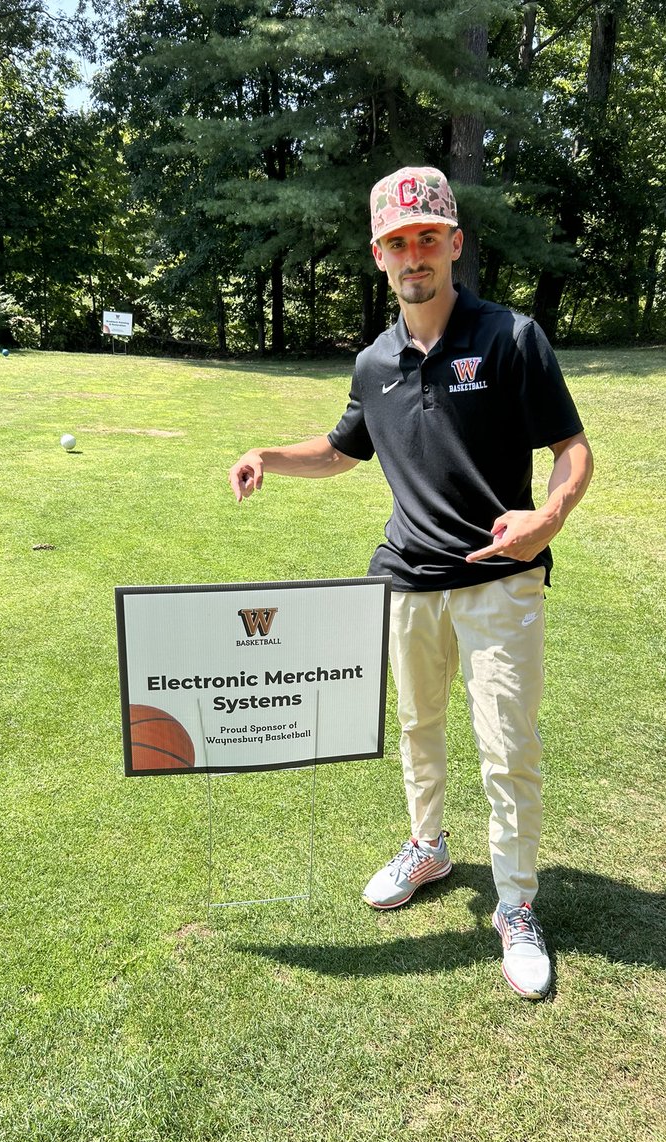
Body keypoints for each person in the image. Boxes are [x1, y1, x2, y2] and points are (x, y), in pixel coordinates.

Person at [228, 166, 593, 999]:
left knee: (507, 748)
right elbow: (340, 449)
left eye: (428, 237)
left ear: (454, 243)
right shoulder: (374, 362)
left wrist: (551, 516)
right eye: (398, 242)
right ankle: (427, 847)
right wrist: (265, 456)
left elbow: (572, 450)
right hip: (406, 580)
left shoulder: (510, 338)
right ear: (379, 257)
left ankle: (516, 904)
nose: (414, 254)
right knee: (419, 729)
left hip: (500, 580)